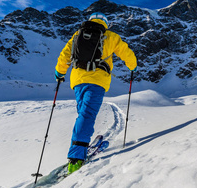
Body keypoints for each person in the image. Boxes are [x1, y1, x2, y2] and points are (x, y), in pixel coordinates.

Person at [55, 12, 137, 174]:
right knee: (87, 115)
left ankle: (77, 146)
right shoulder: (110, 36)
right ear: (105, 23)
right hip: (97, 81)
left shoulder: (78, 35)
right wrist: (133, 66)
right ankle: (76, 157)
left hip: (77, 80)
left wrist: (59, 73)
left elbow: (64, 55)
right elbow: (126, 53)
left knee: (83, 114)